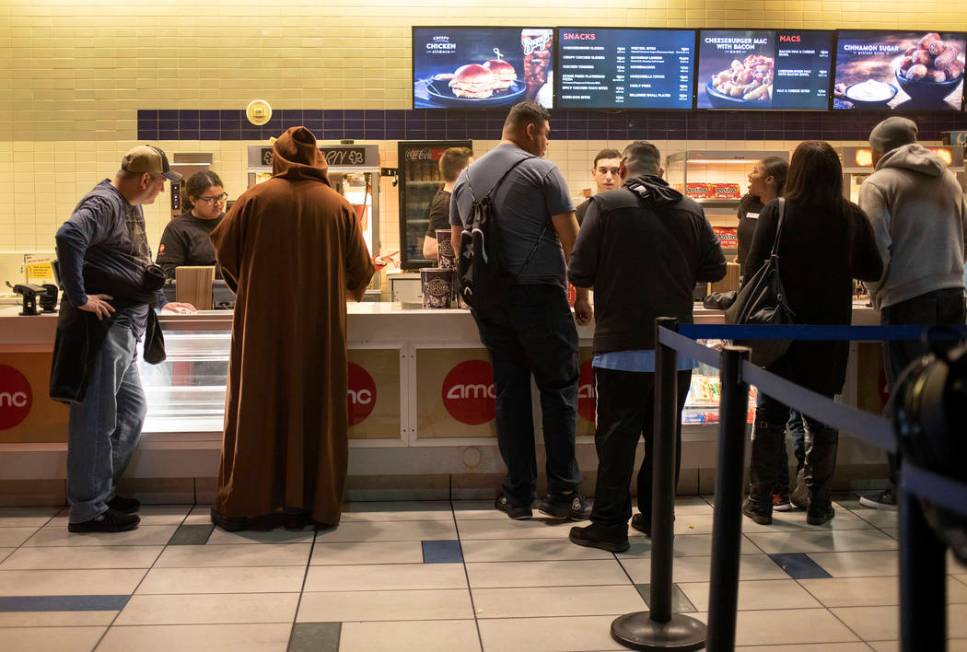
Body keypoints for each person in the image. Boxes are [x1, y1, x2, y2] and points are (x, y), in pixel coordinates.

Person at [210, 126, 374, 531]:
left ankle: (251, 502)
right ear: (318, 159)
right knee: (317, 404)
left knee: (258, 406)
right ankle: (312, 505)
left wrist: (250, 286)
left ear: (277, 159)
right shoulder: (337, 205)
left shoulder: (253, 200)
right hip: (321, 327)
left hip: (261, 328)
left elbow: (225, 254)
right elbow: (361, 272)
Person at [566, 141, 726, 552]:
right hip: (677, 348)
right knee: (664, 437)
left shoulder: (606, 206)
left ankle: (609, 525)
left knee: (617, 438)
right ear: (660, 171)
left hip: (621, 343)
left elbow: (579, 268)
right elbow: (715, 268)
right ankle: (657, 518)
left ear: (622, 168)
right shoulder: (691, 209)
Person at [449, 101, 592, 521]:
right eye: (547, 133)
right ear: (531, 130)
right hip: (541, 299)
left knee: (510, 394)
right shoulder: (543, 172)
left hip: (491, 302)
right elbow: (574, 246)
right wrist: (582, 297)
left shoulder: (464, 179)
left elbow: (461, 249)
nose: (547, 142)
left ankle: (517, 495)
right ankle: (563, 494)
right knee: (559, 391)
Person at [52, 145, 196, 533]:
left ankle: (102, 490)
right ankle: (87, 509)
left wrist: (162, 303)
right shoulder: (105, 203)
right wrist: (80, 297)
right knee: (97, 420)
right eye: (161, 184)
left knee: (131, 412)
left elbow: (137, 261)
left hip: (126, 330)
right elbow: (68, 237)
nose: (162, 192)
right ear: (146, 179)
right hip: (103, 331)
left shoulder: (129, 206)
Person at [741, 141, 883, 527]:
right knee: (822, 419)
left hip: (781, 331)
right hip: (830, 331)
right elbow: (873, 269)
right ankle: (819, 505)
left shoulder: (778, 211)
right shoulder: (850, 215)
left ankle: (761, 503)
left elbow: (753, 270)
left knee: (771, 417)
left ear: (797, 171)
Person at [858, 117, 967, 510]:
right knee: (945, 393)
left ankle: (904, 487)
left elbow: (875, 249)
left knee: (906, 394)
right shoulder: (948, 177)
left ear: (877, 148)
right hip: (954, 295)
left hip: (907, 300)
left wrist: (875, 291)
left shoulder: (879, 183)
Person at [738, 156, 805, 512]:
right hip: (769, 309)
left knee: (778, 408)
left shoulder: (786, 213)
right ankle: (783, 489)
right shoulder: (749, 206)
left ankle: (773, 492)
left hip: (772, 313)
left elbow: (755, 266)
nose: (749, 177)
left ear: (773, 179)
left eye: (754, 172)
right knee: (781, 406)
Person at [157, 170, 228, 278]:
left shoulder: (232, 221)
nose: (218, 203)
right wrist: (213, 273)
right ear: (193, 200)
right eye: (209, 199)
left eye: (220, 197)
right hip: (194, 291)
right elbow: (169, 272)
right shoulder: (178, 228)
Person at [422, 147, 472, 260]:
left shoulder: (450, 196)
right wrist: (465, 243)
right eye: (471, 168)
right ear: (461, 172)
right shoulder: (444, 203)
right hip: (450, 276)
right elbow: (428, 250)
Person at [575, 149, 622, 225]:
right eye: (603, 171)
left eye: (614, 171)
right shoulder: (580, 213)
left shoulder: (632, 210)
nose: (608, 177)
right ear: (594, 173)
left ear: (622, 174)